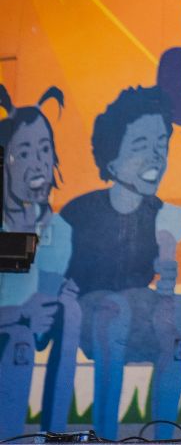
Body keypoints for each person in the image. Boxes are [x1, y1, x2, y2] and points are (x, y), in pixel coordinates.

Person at [62, 86, 181, 441]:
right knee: (113, 308)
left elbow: (165, 258)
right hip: (92, 312)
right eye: (140, 146)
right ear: (111, 158)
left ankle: (163, 434)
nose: (155, 156)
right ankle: (104, 434)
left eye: (161, 144)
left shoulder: (163, 214)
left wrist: (167, 275)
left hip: (136, 309)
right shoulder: (79, 213)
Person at [0, 87, 79, 439]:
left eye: (45, 150)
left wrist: (58, 300)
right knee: (18, 335)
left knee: (71, 311)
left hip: (22, 329)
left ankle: (54, 434)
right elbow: (25, 314)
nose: (38, 162)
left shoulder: (56, 229)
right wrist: (20, 313)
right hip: (12, 326)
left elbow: (44, 302)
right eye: (25, 151)